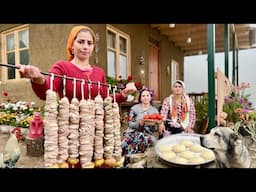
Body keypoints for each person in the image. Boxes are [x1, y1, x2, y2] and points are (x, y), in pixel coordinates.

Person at [17, 25, 136, 102]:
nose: (85, 47)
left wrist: (123, 94)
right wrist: (38, 80)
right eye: (81, 42)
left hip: (97, 131)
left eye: (89, 43)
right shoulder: (62, 68)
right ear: (72, 46)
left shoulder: (99, 73)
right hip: (72, 134)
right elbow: (47, 93)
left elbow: (105, 99)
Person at [121, 87, 161, 156]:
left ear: (151, 97)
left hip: (147, 134)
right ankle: (127, 158)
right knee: (128, 140)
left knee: (142, 137)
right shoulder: (134, 109)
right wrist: (139, 123)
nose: (145, 98)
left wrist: (156, 125)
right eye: (143, 96)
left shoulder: (155, 111)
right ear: (140, 98)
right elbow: (130, 124)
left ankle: (133, 157)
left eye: (147, 95)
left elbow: (155, 129)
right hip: (133, 132)